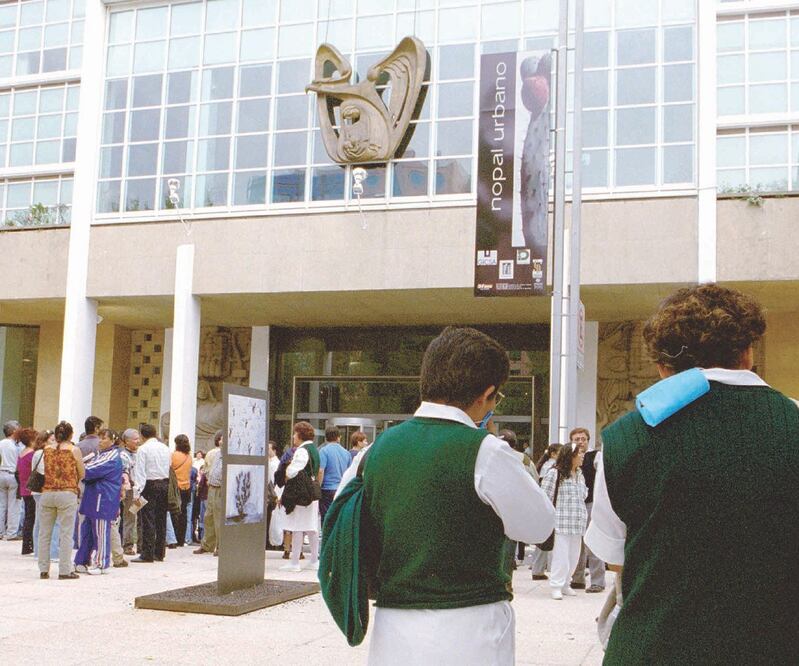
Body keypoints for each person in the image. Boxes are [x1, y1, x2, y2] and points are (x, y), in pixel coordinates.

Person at [585, 284, 799, 664]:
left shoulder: (623, 439)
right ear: (748, 353)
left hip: (652, 651)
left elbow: (616, 558)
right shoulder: (792, 420)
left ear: (663, 368)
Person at [356, 327, 555, 664]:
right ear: (486, 394)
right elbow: (540, 527)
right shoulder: (486, 451)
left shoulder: (374, 451)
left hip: (393, 628)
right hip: (471, 628)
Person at [37, 421, 85, 580]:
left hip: (47, 492)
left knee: (44, 533)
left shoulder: (47, 449)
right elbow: (82, 473)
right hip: (67, 492)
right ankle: (64, 570)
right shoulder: (74, 450)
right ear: (71, 435)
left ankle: (43, 569)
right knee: (66, 533)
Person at [74, 428, 123, 575]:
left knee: (101, 533)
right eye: (99, 438)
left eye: (104, 438)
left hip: (103, 499)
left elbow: (88, 470)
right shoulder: (99, 454)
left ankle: (102, 564)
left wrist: (77, 462)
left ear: (113, 440)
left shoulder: (111, 456)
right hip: (93, 497)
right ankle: (81, 561)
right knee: (87, 532)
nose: (100, 441)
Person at [568, 428, 606, 593]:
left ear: (588, 440)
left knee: (592, 542)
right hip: (575, 505)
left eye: (583, 439)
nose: (580, 442)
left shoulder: (595, 456)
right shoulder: (568, 457)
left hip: (591, 503)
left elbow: (602, 478)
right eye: (577, 439)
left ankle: (598, 581)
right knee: (577, 542)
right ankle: (577, 579)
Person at [279, 421, 320, 572]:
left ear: (300, 435)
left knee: (297, 527)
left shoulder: (302, 450)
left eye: (295, 433)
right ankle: (314, 560)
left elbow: (292, 471)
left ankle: (294, 562)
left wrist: (288, 469)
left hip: (301, 493)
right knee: (311, 527)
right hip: (312, 492)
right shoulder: (314, 449)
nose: (293, 436)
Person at [132, 423, 170, 563]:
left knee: (148, 519)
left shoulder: (143, 449)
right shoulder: (165, 448)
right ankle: (159, 552)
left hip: (149, 485)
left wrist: (137, 492)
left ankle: (147, 553)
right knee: (161, 519)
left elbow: (140, 472)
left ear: (142, 435)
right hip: (164, 483)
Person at [530, 443, 562, 581]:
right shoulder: (551, 468)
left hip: (545, 507)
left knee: (544, 539)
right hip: (550, 506)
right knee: (547, 539)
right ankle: (541, 569)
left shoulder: (545, 466)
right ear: (553, 454)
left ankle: (538, 569)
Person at [30, 430, 60, 562]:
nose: (54, 442)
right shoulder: (43, 453)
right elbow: (46, 471)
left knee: (39, 521)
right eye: (52, 440)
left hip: (38, 491)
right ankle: (52, 553)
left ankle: (38, 551)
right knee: (52, 522)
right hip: (45, 490)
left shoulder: (37, 453)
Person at [194, 431, 222, 555]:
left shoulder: (228, 455)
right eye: (220, 439)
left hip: (221, 488)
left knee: (218, 518)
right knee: (208, 517)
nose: (221, 441)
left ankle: (220, 546)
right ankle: (207, 544)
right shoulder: (216, 454)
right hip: (212, 487)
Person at [317, 425, 352, 525]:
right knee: (338, 517)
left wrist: (318, 487)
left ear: (326, 437)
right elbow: (349, 473)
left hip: (327, 489)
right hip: (341, 489)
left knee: (326, 517)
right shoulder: (346, 453)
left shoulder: (324, 451)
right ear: (338, 437)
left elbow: (321, 470)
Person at [15, 428, 37, 554]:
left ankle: (26, 544)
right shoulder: (32, 454)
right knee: (32, 518)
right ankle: (29, 544)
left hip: (24, 488)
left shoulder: (21, 454)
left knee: (28, 516)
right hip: (32, 489)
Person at [119, 428, 139, 555]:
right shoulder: (123, 455)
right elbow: (125, 472)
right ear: (127, 441)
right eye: (135, 439)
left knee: (138, 517)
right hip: (130, 491)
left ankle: (139, 543)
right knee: (130, 516)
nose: (138, 441)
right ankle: (128, 545)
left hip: (140, 490)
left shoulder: (139, 453)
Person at [0, 420, 21, 540]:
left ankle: (0, 531)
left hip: (1, 473)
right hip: (13, 475)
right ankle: (11, 533)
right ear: (14, 431)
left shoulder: (1, 443)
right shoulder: (17, 446)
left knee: (1, 505)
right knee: (14, 505)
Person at [171, 434, 192, 547]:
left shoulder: (174, 455)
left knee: (174, 513)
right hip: (186, 487)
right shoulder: (189, 457)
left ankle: (173, 538)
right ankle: (181, 539)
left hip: (176, 487)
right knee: (183, 514)